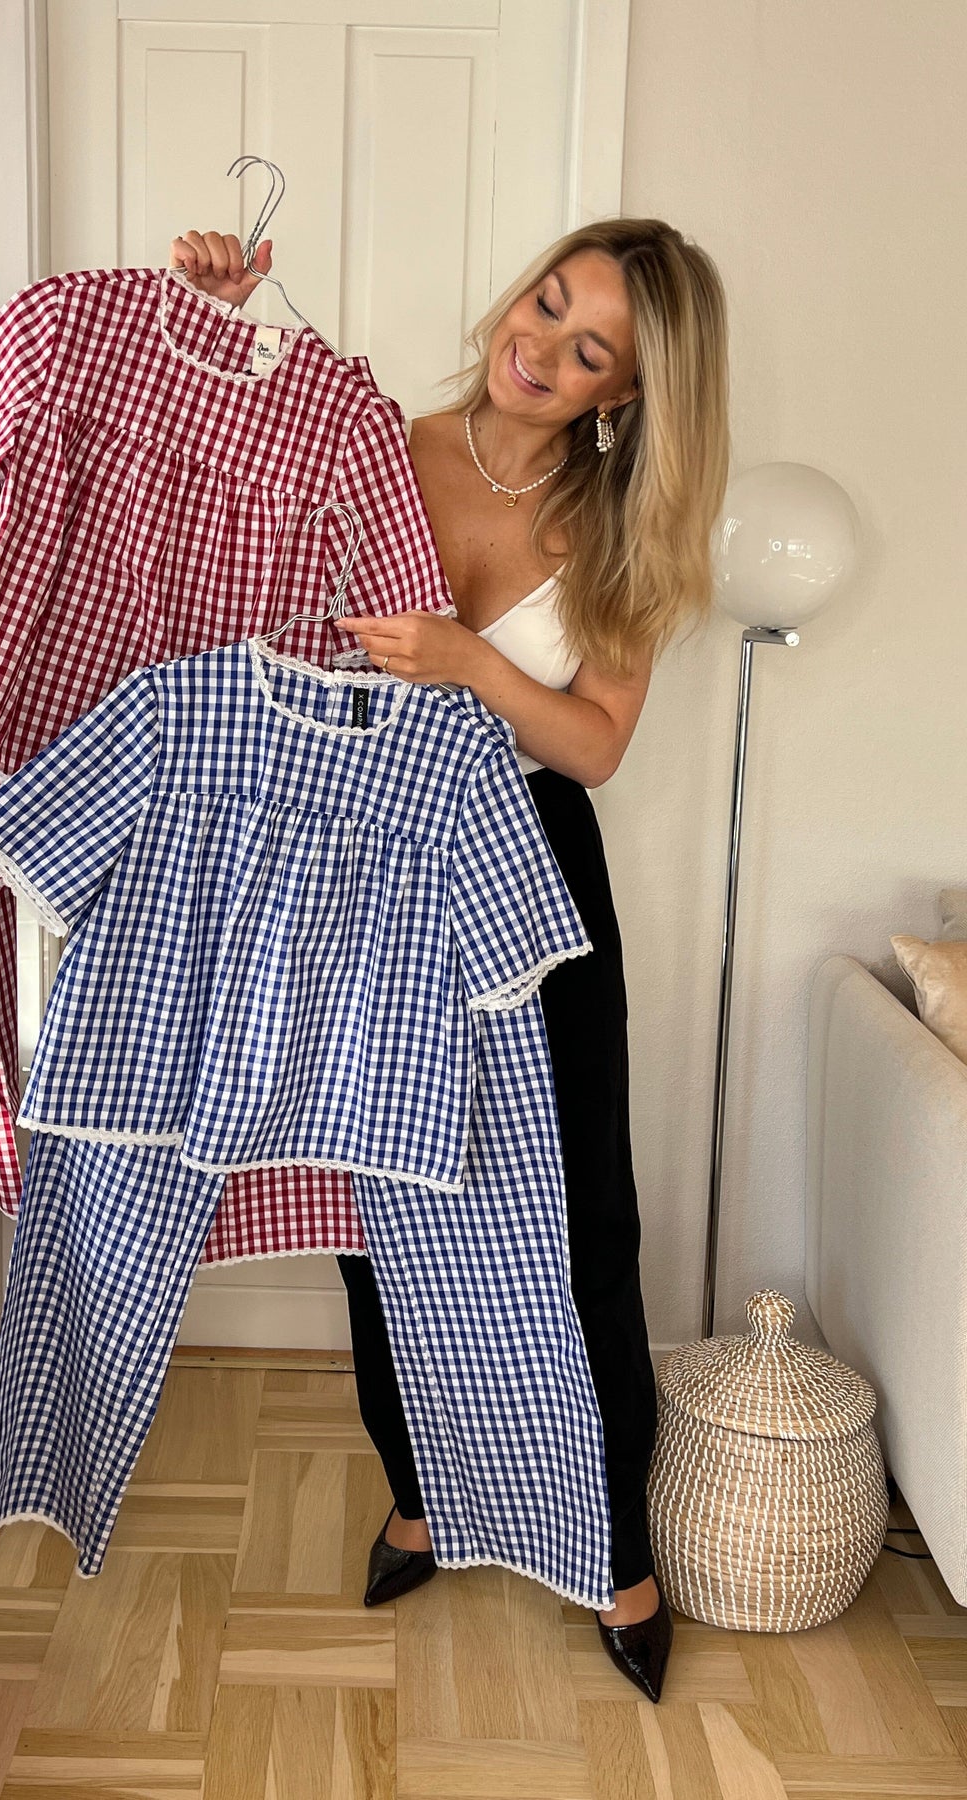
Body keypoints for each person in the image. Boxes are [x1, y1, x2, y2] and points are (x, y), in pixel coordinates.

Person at [169, 219, 730, 1703]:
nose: (538, 348)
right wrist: (217, 329)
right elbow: (205, 512)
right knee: (379, 1200)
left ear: (624, 393)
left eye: (589, 350)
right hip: (368, 857)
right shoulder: (370, 448)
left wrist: (475, 662)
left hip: (529, 864)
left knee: (578, 1220)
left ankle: (618, 1554)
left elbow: (595, 745)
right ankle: (419, 1493)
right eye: (546, 304)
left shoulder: (620, 530)